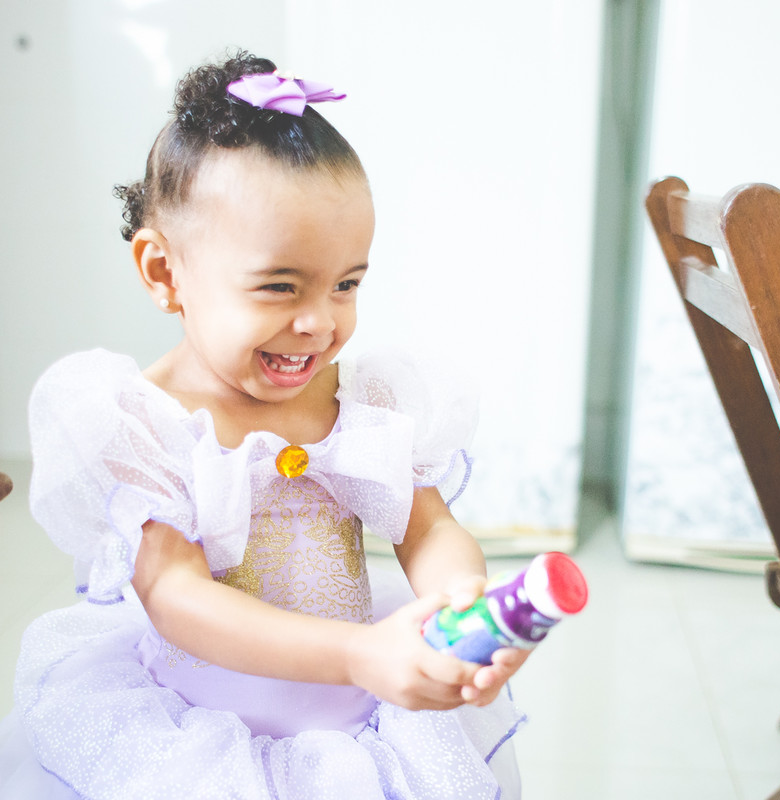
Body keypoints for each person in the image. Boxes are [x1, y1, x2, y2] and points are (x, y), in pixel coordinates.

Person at [0, 50, 529, 799]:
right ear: (163, 272)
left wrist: (460, 605)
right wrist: (357, 653)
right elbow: (177, 597)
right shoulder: (147, 423)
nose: (318, 322)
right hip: (201, 744)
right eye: (279, 286)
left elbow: (428, 527)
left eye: (347, 284)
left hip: (356, 728)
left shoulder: (366, 401)